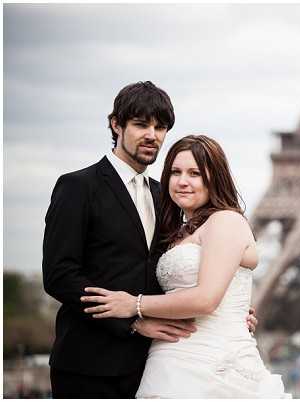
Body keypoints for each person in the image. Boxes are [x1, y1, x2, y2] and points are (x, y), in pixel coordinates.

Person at [42, 82, 257, 398]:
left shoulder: (166, 196)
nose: (152, 135)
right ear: (116, 124)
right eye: (141, 124)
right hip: (89, 362)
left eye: (160, 127)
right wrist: (131, 321)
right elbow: (60, 276)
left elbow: (176, 271)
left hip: (153, 362)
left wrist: (227, 309)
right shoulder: (78, 187)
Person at [81, 135, 291, 398]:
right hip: (167, 361)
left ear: (214, 178)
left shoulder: (225, 220)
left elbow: (206, 299)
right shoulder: (176, 233)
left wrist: (134, 304)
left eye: (195, 173)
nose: (182, 181)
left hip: (212, 363)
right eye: (175, 172)